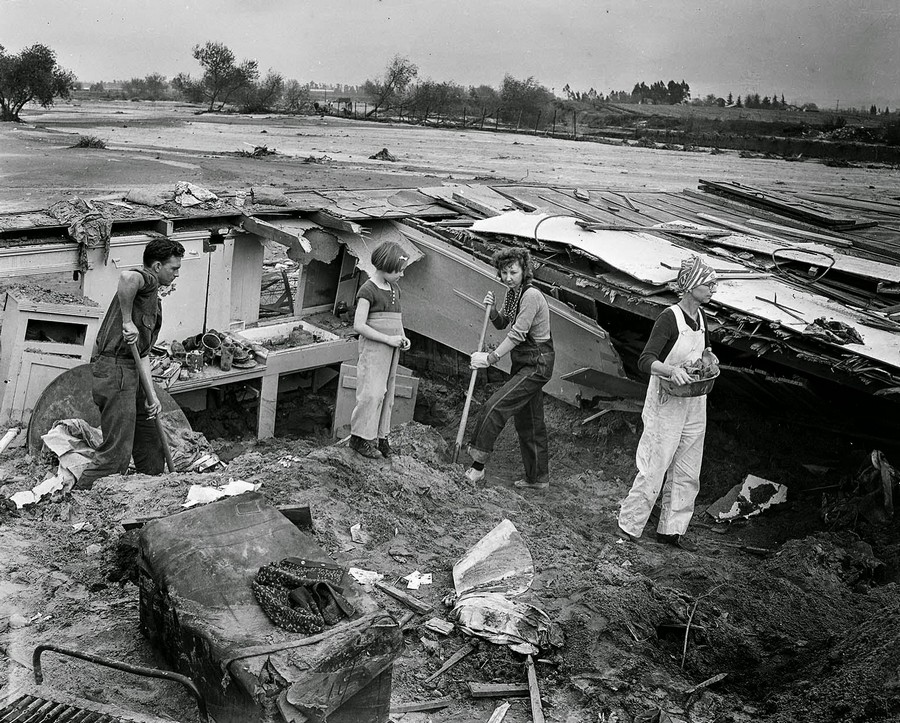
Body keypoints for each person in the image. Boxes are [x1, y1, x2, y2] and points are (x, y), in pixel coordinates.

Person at [617, 255, 719, 551]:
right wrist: (672, 370)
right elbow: (646, 360)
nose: (713, 288)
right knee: (655, 465)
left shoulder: (701, 317)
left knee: (688, 469)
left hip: (694, 401)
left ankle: (671, 530)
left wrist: (710, 357)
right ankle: (630, 525)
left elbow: (705, 347)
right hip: (667, 400)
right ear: (691, 286)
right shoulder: (669, 318)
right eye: (708, 283)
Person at [76, 238, 185, 489]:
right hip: (116, 372)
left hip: (133, 371)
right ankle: (81, 499)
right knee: (116, 455)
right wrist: (127, 320)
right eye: (174, 268)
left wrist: (151, 394)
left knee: (150, 441)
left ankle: (154, 492)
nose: (177, 274)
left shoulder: (152, 296)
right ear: (157, 266)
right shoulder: (147, 280)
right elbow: (126, 277)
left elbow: (143, 353)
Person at [465, 247, 554, 490]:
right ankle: (537, 479)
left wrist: (490, 358)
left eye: (513, 272)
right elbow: (504, 322)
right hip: (523, 361)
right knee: (530, 421)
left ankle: (477, 468)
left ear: (524, 270)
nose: (508, 277)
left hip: (537, 363)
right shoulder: (513, 293)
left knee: (495, 405)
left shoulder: (531, 296)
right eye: (504, 272)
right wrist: (492, 310)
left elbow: (517, 335)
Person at [349, 241, 411, 459]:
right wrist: (387, 339)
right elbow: (359, 325)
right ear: (385, 266)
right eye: (399, 271)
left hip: (392, 349)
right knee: (371, 393)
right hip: (375, 349)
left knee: (387, 394)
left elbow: (397, 320)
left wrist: (403, 337)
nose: (402, 275)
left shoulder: (395, 289)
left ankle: (380, 436)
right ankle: (359, 438)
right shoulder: (368, 289)